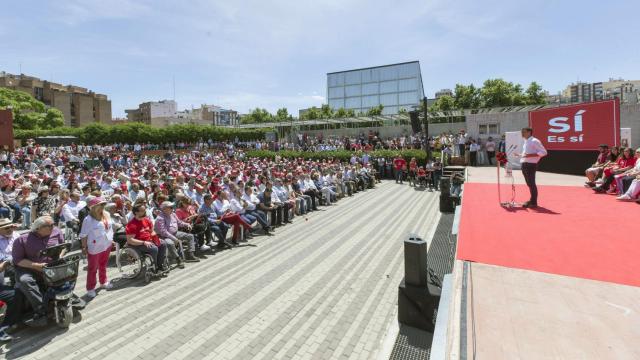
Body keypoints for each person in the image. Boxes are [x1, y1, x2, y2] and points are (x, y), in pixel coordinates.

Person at [12, 216, 65, 327]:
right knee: (25, 280)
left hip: (51, 265)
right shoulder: (22, 239)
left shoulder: (57, 232)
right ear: (38, 228)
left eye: (53, 224)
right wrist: (35, 266)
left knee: (68, 271)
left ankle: (64, 297)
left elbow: (63, 247)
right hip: (29, 268)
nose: (53, 227)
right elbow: (17, 260)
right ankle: (40, 308)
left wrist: (60, 255)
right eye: (49, 226)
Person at [79, 197, 114, 298]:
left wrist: (111, 240)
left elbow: (109, 228)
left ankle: (103, 282)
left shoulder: (106, 214)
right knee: (92, 268)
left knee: (103, 265)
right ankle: (90, 288)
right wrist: (84, 247)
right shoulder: (88, 219)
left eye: (103, 204)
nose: (103, 207)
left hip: (106, 244)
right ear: (93, 207)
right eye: (100, 205)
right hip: (94, 247)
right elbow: (83, 235)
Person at [155, 201, 199, 268]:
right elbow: (163, 232)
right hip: (164, 236)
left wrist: (187, 224)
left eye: (172, 207)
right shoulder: (160, 218)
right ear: (164, 209)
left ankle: (190, 254)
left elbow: (179, 223)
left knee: (190, 236)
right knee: (170, 243)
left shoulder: (173, 214)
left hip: (175, 233)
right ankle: (178, 259)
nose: (172, 208)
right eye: (170, 207)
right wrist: (174, 238)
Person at [125, 204, 168, 274]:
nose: (145, 212)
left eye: (145, 210)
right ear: (136, 212)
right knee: (154, 248)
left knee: (163, 244)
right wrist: (143, 242)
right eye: (142, 211)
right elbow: (130, 240)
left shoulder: (146, 220)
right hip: (138, 244)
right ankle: (155, 267)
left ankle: (160, 265)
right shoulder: (132, 225)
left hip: (149, 240)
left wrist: (155, 237)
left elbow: (152, 231)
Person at [515, 127, 547, 208]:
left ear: (529, 132)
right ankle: (532, 200)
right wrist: (519, 155)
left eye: (524, 132)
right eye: (522, 132)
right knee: (529, 183)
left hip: (531, 165)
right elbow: (526, 154)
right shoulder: (526, 141)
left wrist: (530, 155)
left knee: (532, 184)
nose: (522, 134)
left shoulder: (534, 141)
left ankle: (533, 202)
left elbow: (544, 152)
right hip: (524, 164)